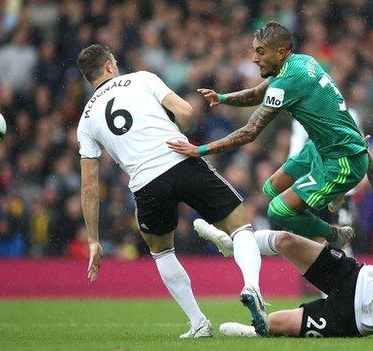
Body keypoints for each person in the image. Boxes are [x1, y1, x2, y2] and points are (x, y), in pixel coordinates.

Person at [75, 44, 267, 338]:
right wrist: (182, 129)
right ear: (110, 67)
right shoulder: (142, 79)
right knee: (240, 226)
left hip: (146, 184)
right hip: (180, 160)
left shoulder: (86, 119)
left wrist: (93, 240)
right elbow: (186, 111)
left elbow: (89, 185)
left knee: (162, 251)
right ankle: (251, 285)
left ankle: (198, 322)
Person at [198, 155, 373, 338]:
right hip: (355, 276)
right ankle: (233, 244)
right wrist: (366, 157)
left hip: (352, 320)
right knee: (285, 239)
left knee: (271, 324)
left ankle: (250, 332)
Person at [167, 21, 369, 249]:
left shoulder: (288, 81)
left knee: (278, 210)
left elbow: (251, 131)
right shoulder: (300, 62)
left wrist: (201, 150)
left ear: (280, 52)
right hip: (321, 149)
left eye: (260, 51)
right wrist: (223, 98)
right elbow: (256, 94)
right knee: (270, 188)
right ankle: (330, 195)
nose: (254, 58)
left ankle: (333, 234)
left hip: (342, 161)